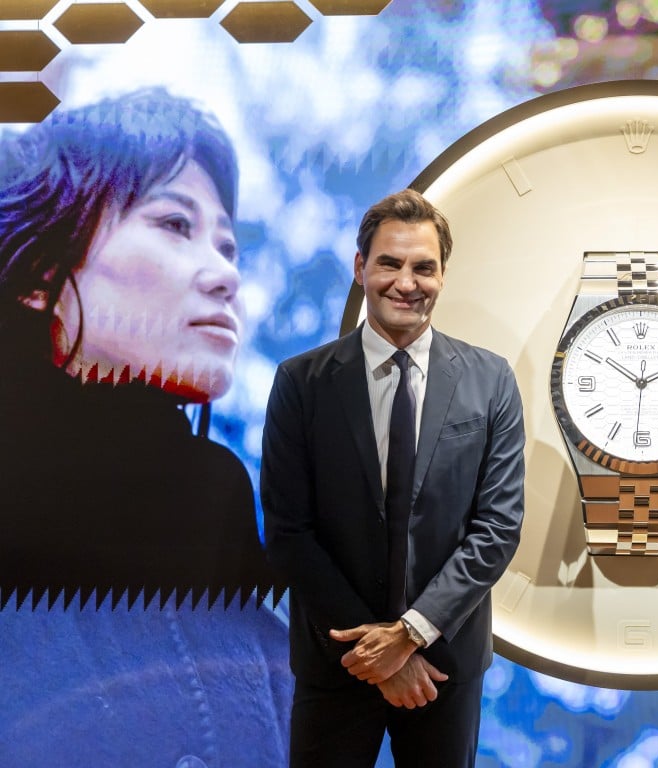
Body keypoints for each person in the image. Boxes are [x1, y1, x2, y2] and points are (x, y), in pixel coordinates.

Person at [0, 88, 292, 766]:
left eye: (229, 246)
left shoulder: (229, 541)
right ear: (41, 273)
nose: (225, 276)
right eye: (174, 224)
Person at [261, 188, 526, 768]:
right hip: (338, 660)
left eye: (423, 267)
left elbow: (498, 528)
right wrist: (377, 652)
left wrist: (409, 635)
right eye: (389, 263)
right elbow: (288, 533)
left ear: (442, 275)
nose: (407, 283)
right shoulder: (301, 383)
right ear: (360, 268)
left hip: (443, 668)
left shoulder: (491, 381)